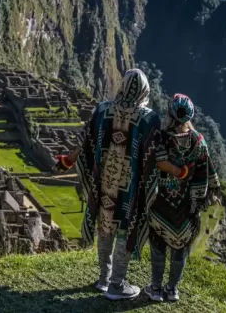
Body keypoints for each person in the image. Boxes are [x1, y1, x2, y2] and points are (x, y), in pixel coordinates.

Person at [55, 69, 189, 301]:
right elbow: (158, 157)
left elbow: (84, 141)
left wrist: (68, 161)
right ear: (145, 91)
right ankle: (116, 285)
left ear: (123, 86)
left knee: (105, 226)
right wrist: (179, 170)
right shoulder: (149, 119)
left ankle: (103, 279)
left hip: (104, 183)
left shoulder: (102, 110)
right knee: (125, 231)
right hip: (131, 189)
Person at [144, 93, 221, 303]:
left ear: (170, 113)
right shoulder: (199, 141)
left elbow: (158, 162)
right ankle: (172, 289)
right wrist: (199, 193)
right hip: (188, 206)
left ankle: (156, 288)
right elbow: (207, 171)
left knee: (158, 243)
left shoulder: (161, 136)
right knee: (181, 248)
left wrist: (178, 172)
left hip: (161, 202)